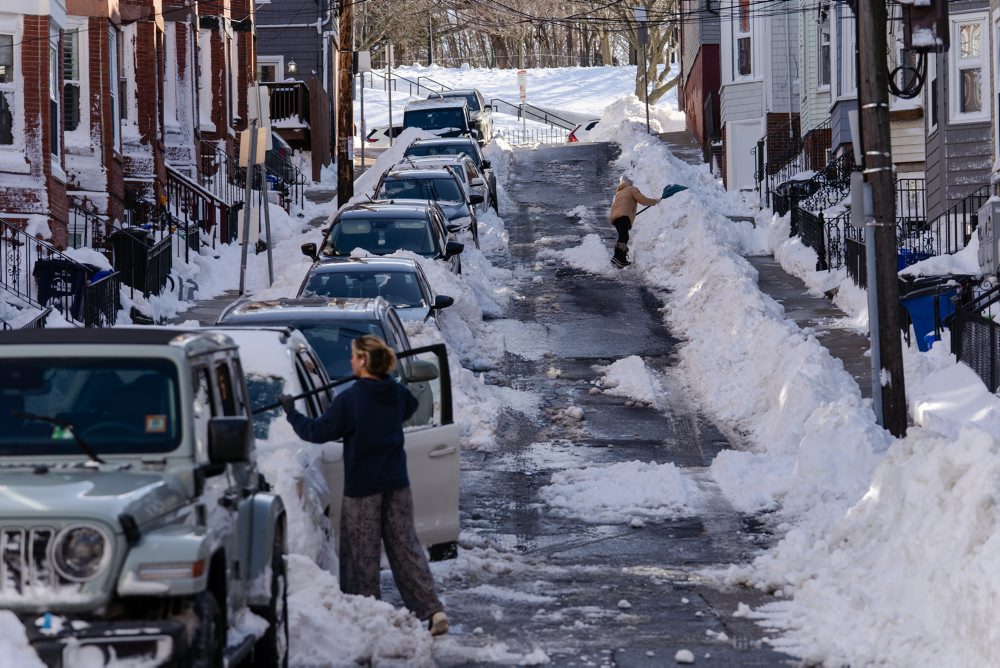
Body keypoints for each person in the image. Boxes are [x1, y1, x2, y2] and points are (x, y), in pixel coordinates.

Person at [279, 335, 448, 636]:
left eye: (355, 357)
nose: (351, 361)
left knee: (361, 556)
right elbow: (409, 405)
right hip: (397, 484)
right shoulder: (394, 393)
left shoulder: (351, 400)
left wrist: (291, 412)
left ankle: (364, 618)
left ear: (364, 362)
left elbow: (318, 432)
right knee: (406, 548)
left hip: (363, 488)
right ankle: (432, 610)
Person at [609, 175, 661, 267]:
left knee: (624, 236)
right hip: (623, 217)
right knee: (624, 237)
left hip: (615, 218)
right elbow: (643, 200)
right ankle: (618, 257)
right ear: (628, 183)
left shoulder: (619, 192)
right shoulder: (631, 189)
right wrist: (655, 201)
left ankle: (620, 258)